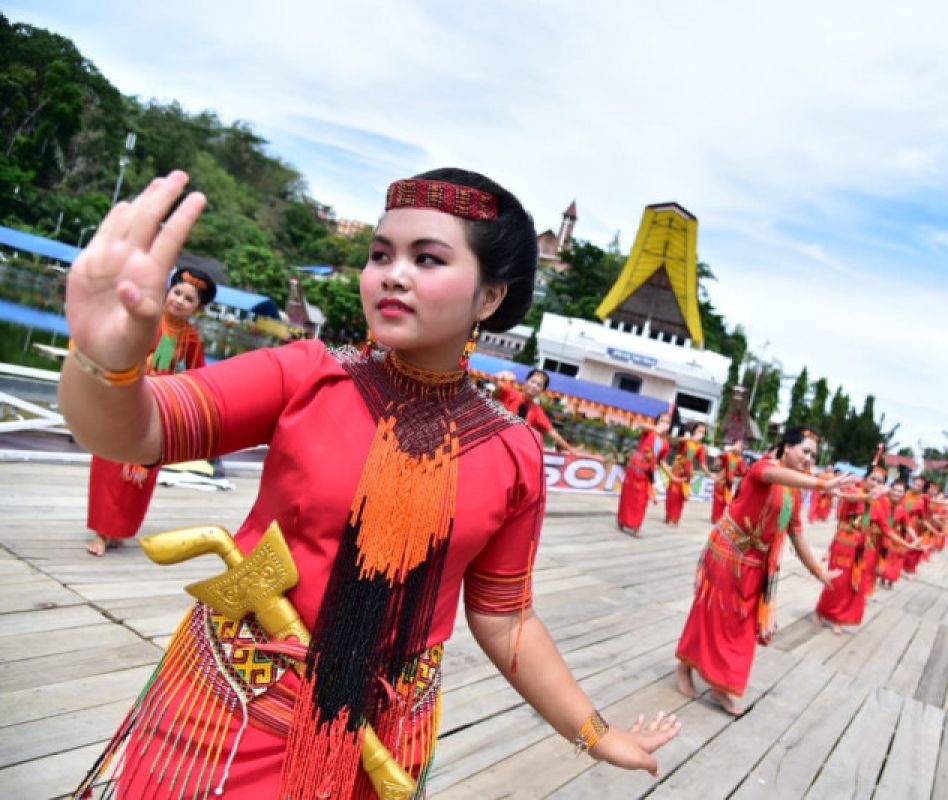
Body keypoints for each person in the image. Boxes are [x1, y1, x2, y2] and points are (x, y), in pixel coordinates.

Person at [63, 169, 680, 800]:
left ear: (490, 298)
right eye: (380, 254)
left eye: (428, 258)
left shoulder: (511, 449)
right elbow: (136, 431)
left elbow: (506, 620)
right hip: (227, 709)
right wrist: (102, 361)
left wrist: (595, 735)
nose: (392, 273)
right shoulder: (307, 373)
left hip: (378, 742)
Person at [674, 426, 854, 715]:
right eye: (804, 451)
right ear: (786, 447)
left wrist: (819, 572)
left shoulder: (794, 492)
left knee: (741, 628)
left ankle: (722, 685)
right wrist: (820, 484)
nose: (809, 459)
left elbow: (796, 534)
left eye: (813, 455)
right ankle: (685, 668)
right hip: (727, 555)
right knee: (711, 615)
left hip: (756, 568)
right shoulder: (764, 468)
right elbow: (773, 475)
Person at [83, 265, 216, 556]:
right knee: (110, 465)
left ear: (198, 308)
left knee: (143, 470)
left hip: (158, 407)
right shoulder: (146, 321)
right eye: (177, 292)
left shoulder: (191, 338)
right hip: (126, 398)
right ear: (167, 292)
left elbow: (200, 376)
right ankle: (100, 534)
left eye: (188, 299)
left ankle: (119, 530)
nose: (179, 300)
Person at [814, 465, 887, 633]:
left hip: (862, 549)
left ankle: (839, 620)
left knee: (853, 585)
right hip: (843, 545)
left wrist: (906, 543)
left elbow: (885, 527)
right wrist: (867, 496)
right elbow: (849, 498)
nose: (875, 483)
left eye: (879, 481)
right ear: (865, 479)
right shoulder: (854, 492)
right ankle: (820, 611)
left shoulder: (880, 503)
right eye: (873, 479)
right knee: (836, 582)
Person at [492, 368, 584, 453]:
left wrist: (569, 449)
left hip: (513, 448)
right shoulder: (510, 393)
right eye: (533, 381)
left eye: (539, 385)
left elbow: (552, 432)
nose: (534, 386)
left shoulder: (537, 411)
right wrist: (502, 375)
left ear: (542, 390)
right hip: (495, 441)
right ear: (526, 382)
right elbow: (495, 382)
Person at [616, 411, 672, 536]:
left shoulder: (665, 444)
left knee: (641, 501)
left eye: (667, 422)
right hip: (634, 470)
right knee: (627, 497)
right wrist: (656, 428)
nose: (665, 423)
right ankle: (622, 521)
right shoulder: (649, 432)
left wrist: (672, 475)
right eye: (662, 420)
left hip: (646, 474)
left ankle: (636, 527)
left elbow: (661, 461)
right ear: (657, 421)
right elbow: (643, 425)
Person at [710, 438, 748, 524]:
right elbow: (718, 457)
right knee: (718, 500)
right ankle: (715, 518)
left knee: (726, 501)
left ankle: (719, 518)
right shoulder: (727, 455)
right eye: (737, 445)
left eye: (740, 447)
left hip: (729, 483)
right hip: (721, 480)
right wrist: (730, 448)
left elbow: (743, 472)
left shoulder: (740, 460)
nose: (738, 448)